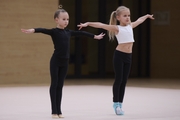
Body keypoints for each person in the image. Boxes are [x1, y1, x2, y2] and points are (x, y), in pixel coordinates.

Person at [21, 5, 105, 118]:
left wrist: (95, 36)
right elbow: (43, 30)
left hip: (65, 62)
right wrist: (33, 30)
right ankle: (53, 111)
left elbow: (81, 33)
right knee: (54, 84)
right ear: (56, 19)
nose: (66, 21)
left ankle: (59, 111)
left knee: (60, 86)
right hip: (55, 61)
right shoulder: (54, 32)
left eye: (67, 19)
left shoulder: (68, 32)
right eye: (63, 19)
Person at [77, 6, 154, 115]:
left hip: (129, 56)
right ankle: (116, 104)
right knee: (118, 80)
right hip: (119, 56)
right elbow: (101, 25)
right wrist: (88, 23)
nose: (127, 18)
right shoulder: (117, 28)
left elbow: (139, 20)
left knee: (124, 81)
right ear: (118, 17)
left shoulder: (130, 26)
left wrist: (146, 16)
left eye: (129, 16)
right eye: (125, 16)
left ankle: (120, 104)